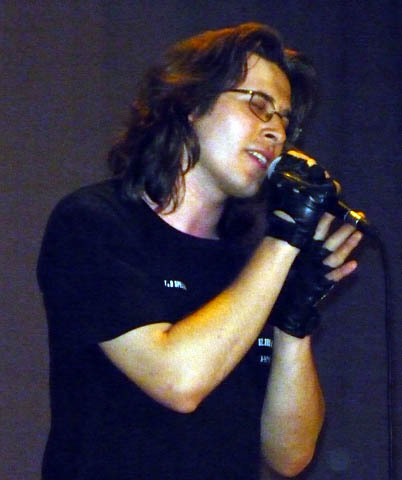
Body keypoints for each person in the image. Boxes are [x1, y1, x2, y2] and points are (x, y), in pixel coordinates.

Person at [37, 23, 363, 479]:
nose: (276, 132)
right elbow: (178, 380)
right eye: (258, 105)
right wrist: (285, 240)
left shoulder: (251, 263)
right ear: (192, 102)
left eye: (285, 120)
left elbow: (289, 455)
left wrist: (295, 318)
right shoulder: (95, 222)